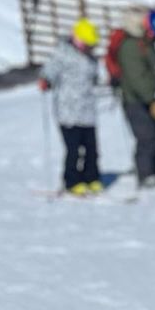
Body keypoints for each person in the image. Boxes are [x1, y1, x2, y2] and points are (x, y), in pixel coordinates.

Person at [38, 17, 104, 195]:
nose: (90, 47)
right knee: (73, 149)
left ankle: (92, 178)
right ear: (77, 39)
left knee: (92, 149)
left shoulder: (92, 59)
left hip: (87, 110)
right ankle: (72, 181)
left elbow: (96, 77)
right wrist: (46, 80)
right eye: (87, 43)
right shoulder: (62, 53)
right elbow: (49, 70)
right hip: (67, 111)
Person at [117, 9, 155, 187]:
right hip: (134, 100)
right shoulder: (131, 46)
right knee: (146, 136)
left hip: (146, 99)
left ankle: (153, 170)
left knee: (153, 134)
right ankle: (145, 175)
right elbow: (137, 77)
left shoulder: (145, 43)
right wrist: (151, 98)